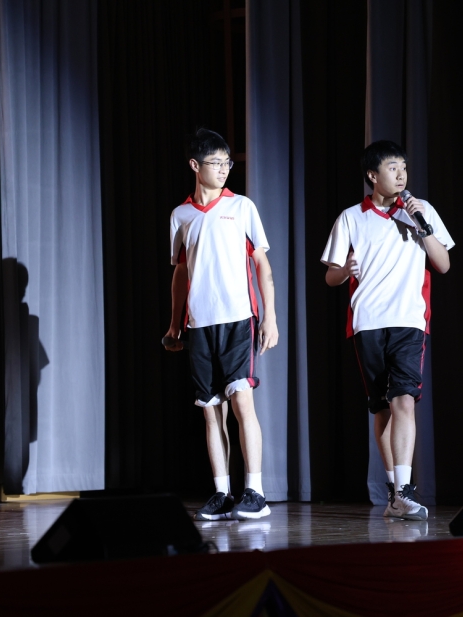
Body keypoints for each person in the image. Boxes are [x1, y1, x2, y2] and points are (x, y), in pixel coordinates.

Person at [321, 140, 454, 520]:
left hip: (410, 320)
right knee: (381, 406)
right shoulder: (351, 217)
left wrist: (422, 227)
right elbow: (331, 277)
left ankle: (404, 491)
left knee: (404, 400)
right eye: (392, 168)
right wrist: (345, 270)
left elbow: (443, 264)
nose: (400, 175)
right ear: (372, 175)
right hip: (368, 322)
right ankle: (395, 493)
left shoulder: (421, 210)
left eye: (403, 168)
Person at [164, 128, 278, 521]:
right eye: (216, 162)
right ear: (195, 166)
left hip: (238, 320)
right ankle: (222, 493)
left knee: (242, 400)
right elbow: (181, 271)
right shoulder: (181, 215)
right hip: (199, 325)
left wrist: (270, 317)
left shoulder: (242, 207)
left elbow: (261, 263)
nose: (224, 168)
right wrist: (175, 325)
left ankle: (256, 491)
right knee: (211, 410)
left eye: (227, 162)